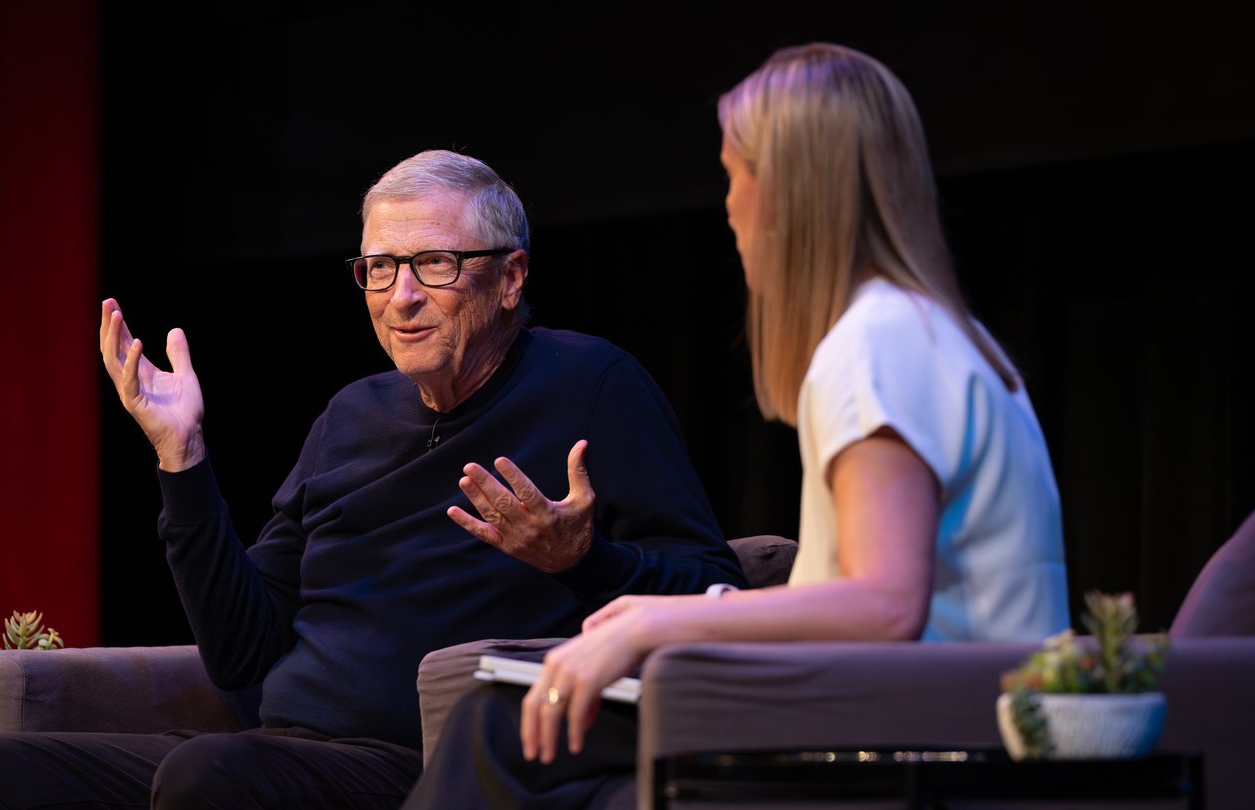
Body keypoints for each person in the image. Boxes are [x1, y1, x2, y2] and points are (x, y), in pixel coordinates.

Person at [0, 149, 745, 809]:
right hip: (280, 749)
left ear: (511, 277)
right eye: (379, 268)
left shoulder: (592, 385)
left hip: (426, 767)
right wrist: (181, 457)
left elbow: (717, 588)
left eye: (435, 264)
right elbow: (241, 651)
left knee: (210, 777)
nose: (400, 297)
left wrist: (583, 561)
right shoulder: (351, 415)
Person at [403, 42, 1071, 808]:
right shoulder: (939, 333)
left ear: (789, 191)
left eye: (735, 177)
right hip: (950, 715)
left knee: (500, 725)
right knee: (547, 743)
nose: (728, 207)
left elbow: (885, 604)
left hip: (926, 737)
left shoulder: (877, 344)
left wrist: (662, 625)